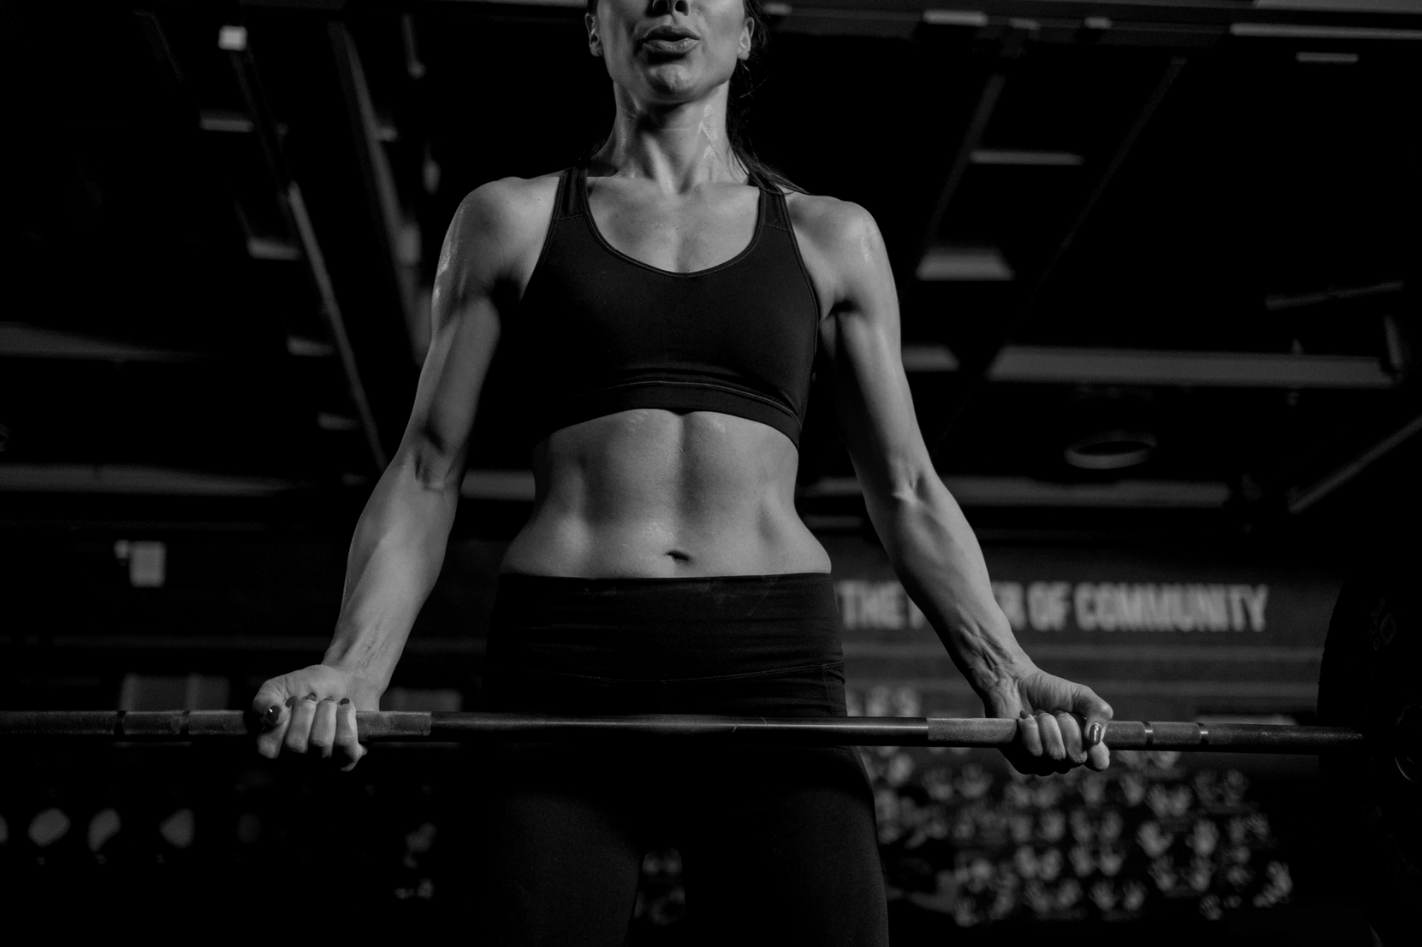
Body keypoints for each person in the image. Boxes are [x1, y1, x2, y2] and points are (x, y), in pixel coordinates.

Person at [252, 1, 1112, 943]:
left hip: (771, 670)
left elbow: (906, 489)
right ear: (594, 27)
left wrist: (1007, 669)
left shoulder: (833, 236)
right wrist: (355, 669)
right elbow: (425, 471)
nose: (668, 0)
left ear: (746, 31)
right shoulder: (508, 219)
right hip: (564, 667)